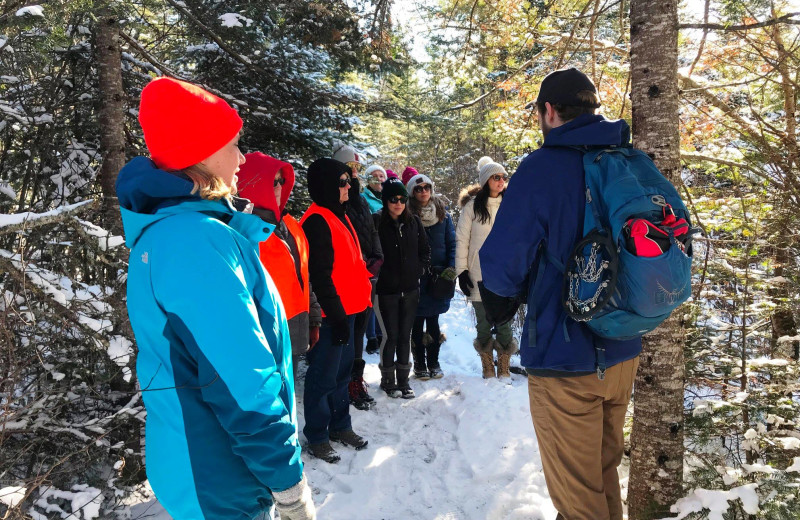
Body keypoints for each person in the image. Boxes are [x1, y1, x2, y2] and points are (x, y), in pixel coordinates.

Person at [117, 77, 315, 520]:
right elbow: (241, 380)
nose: (243, 158)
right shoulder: (194, 241)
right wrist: (288, 484)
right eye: (233, 145)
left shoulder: (177, 232)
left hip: (202, 464)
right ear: (200, 155)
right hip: (220, 477)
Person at [479, 68, 642, 520]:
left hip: (564, 353)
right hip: (623, 347)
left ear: (549, 111)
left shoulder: (540, 169)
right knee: (603, 477)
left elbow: (500, 267)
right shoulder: (624, 158)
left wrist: (505, 296)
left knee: (578, 502)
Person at [300, 157, 373, 463]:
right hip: (333, 316)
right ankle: (317, 436)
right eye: (342, 182)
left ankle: (340, 426)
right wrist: (337, 316)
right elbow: (320, 277)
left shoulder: (339, 214)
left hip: (353, 310)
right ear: (327, 186)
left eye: (349, 181)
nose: (348, 187)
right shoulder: (317, 220)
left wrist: (360, 308)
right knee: (323, 378)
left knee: (343, 375)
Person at [236, 152, 322, 380]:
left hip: (294, 331)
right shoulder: (242, 234)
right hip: (265, 341)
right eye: (272, 181)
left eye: (281, 181)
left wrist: (312, 318)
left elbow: (302, 276)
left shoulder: (289, 223)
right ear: (253, 182)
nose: (279, 187)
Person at [455, 160, 517, 379]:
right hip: (478, 273)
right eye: (496, 177)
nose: (501, 181)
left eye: (503, 177)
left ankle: (504, 365)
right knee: (483, 322)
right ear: (486, 180)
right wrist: (461, 271)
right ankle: (487, 365)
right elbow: (462, 240)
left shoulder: (511, 204)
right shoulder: (472, 206)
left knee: (504, 322)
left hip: (504, 275)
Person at [332, 144, 383, 411]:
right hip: (347, 281)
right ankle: (345, 385)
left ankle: (356, 380)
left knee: (360, 333)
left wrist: (376, 258)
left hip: (366, 277)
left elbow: (370, 231)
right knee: (349, 336)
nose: (354, 173)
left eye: (357, 168)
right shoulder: (335, 201)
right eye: (350, 168)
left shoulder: (360, 199)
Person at [373, 178, 430, 399]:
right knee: (391, 335)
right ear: (385, 200)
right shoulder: (377, 222)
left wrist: (420, 270)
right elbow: (370, 253)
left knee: (405, 336)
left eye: (402, 199)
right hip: (386, 290)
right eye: (393, 199)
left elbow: (425, 250)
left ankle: (404, 380)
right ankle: (388, 380)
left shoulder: (413, 222)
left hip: (410, 289)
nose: (398, 203)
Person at [406, 172, 456, 379]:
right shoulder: (407, 215)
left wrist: (452, 267)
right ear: (412, 192)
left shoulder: (443, 215)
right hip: (416, 277)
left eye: (426, 187)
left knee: (434, 320)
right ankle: (419, 363)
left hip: (439, 278)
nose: (423, 192)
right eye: (418, 189)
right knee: (417, 320)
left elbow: (452, 244)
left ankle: (434, 362)